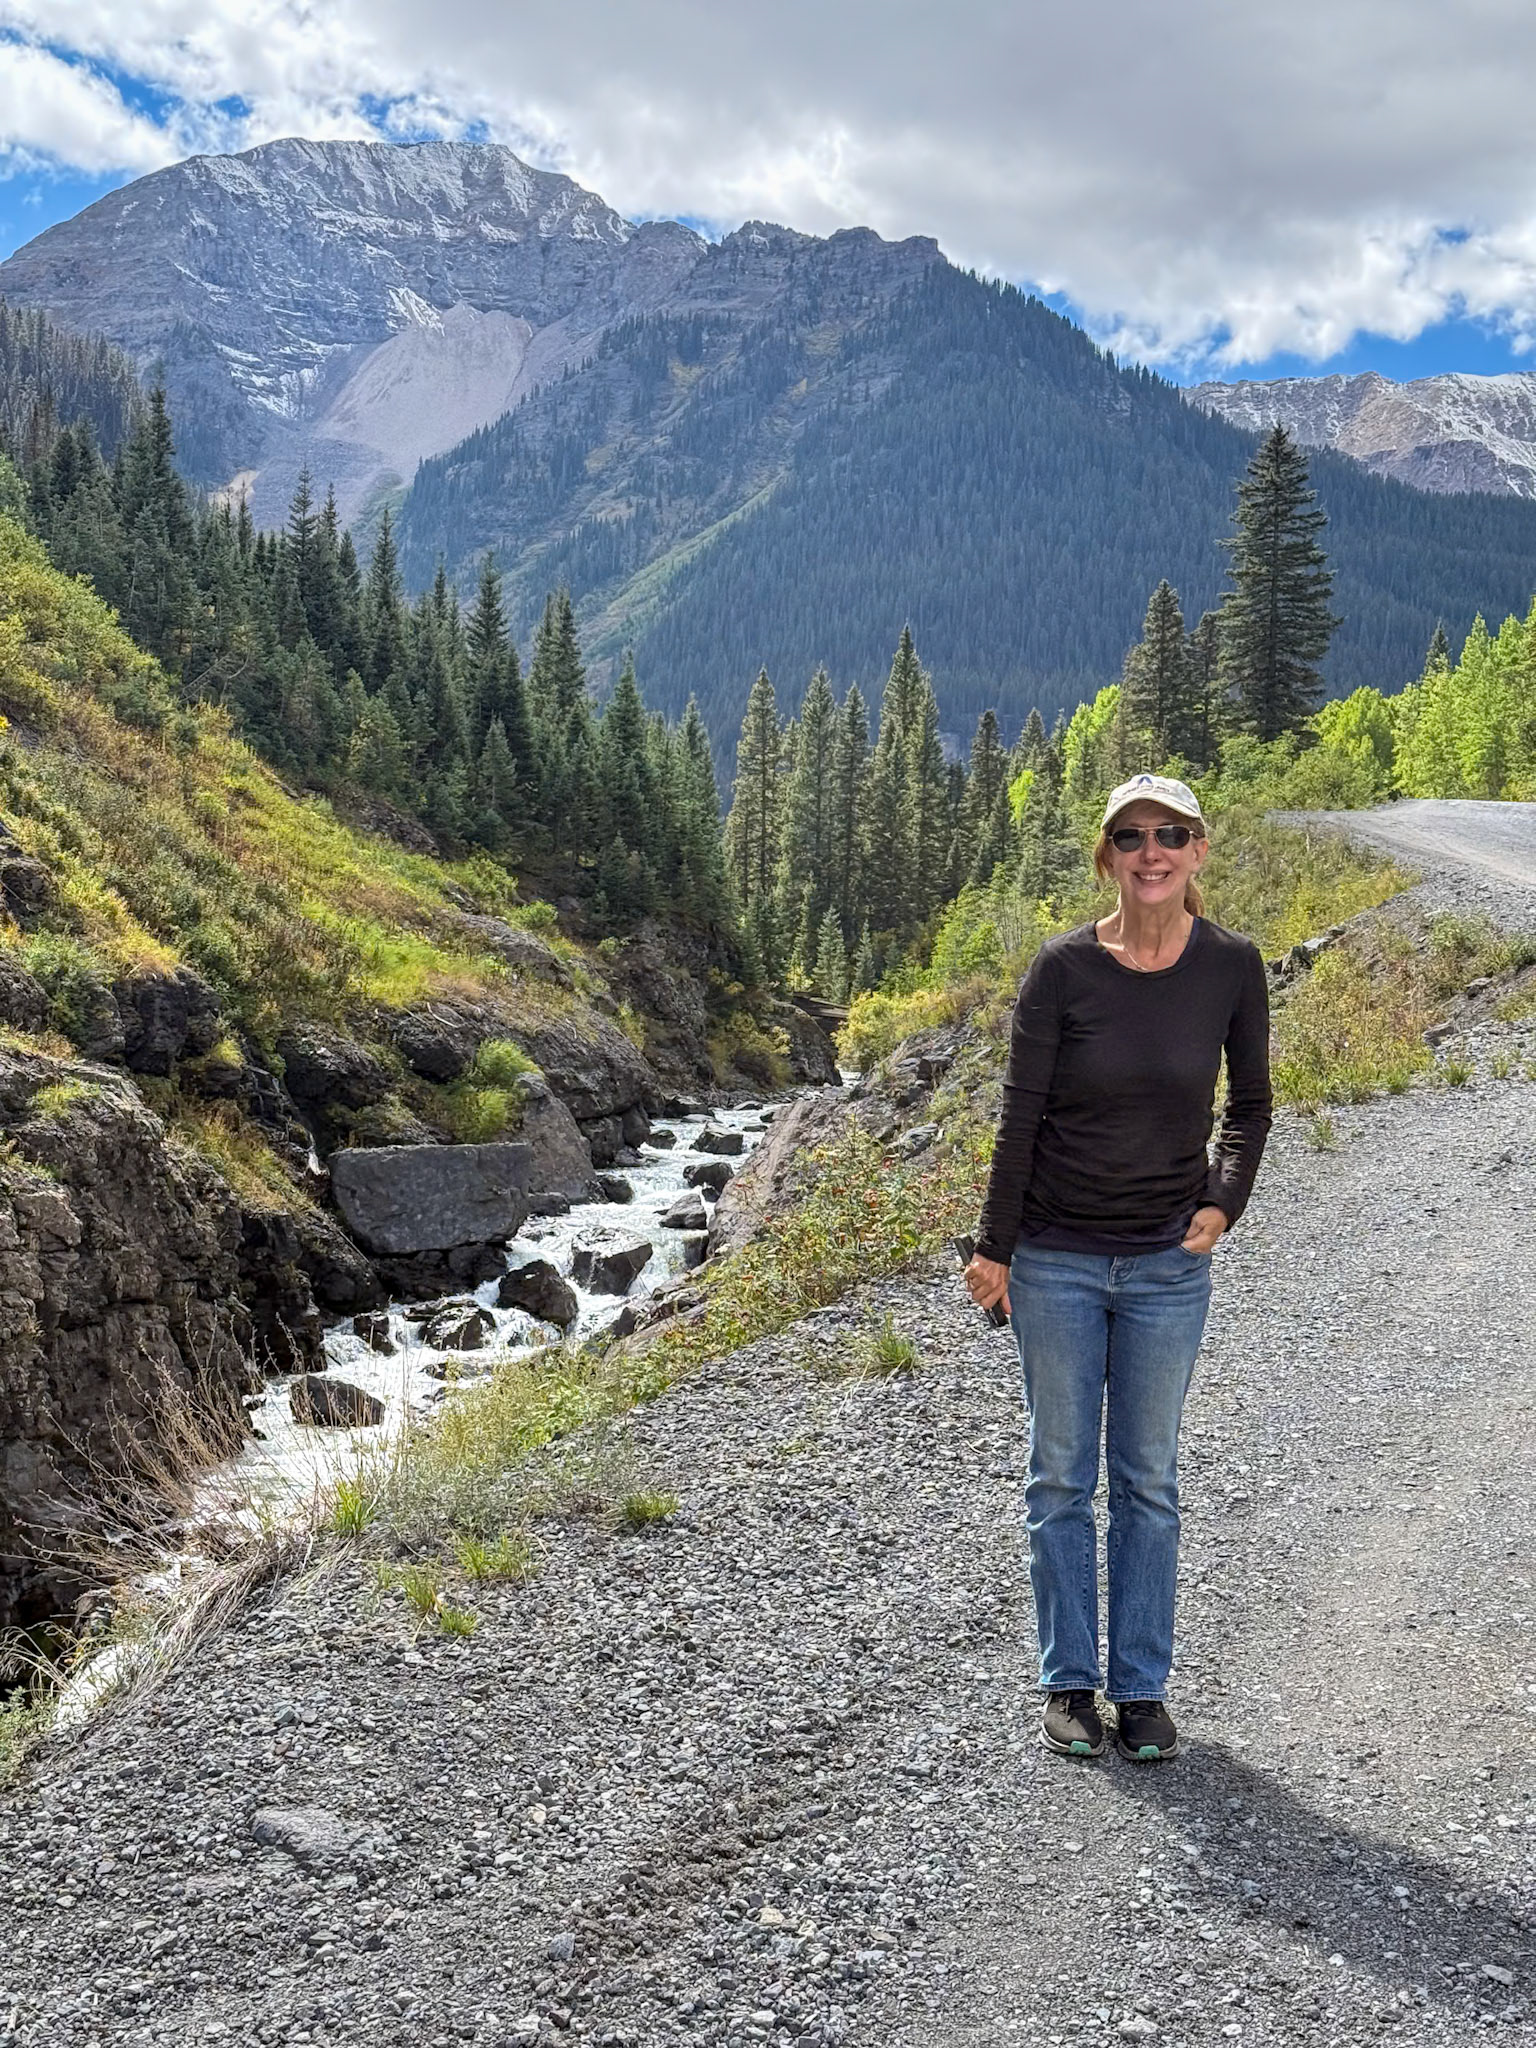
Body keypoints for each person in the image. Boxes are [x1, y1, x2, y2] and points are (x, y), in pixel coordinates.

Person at [965, 772, 1272, 1762]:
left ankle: (1140, 1690)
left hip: (1165, 1268)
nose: (1152, 852)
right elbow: (1020, 1113)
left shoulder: (1232, 965)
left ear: (1197, 850)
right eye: (1132, 836)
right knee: (1060, 1476)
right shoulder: (1062, 970)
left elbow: (1251, 1103)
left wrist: (1224, 1198)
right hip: (1054, 1260)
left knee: (1147, 1480)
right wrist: (994, 1245)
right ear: (1107, 856)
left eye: (1170, 834)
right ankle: (1070, 1682)